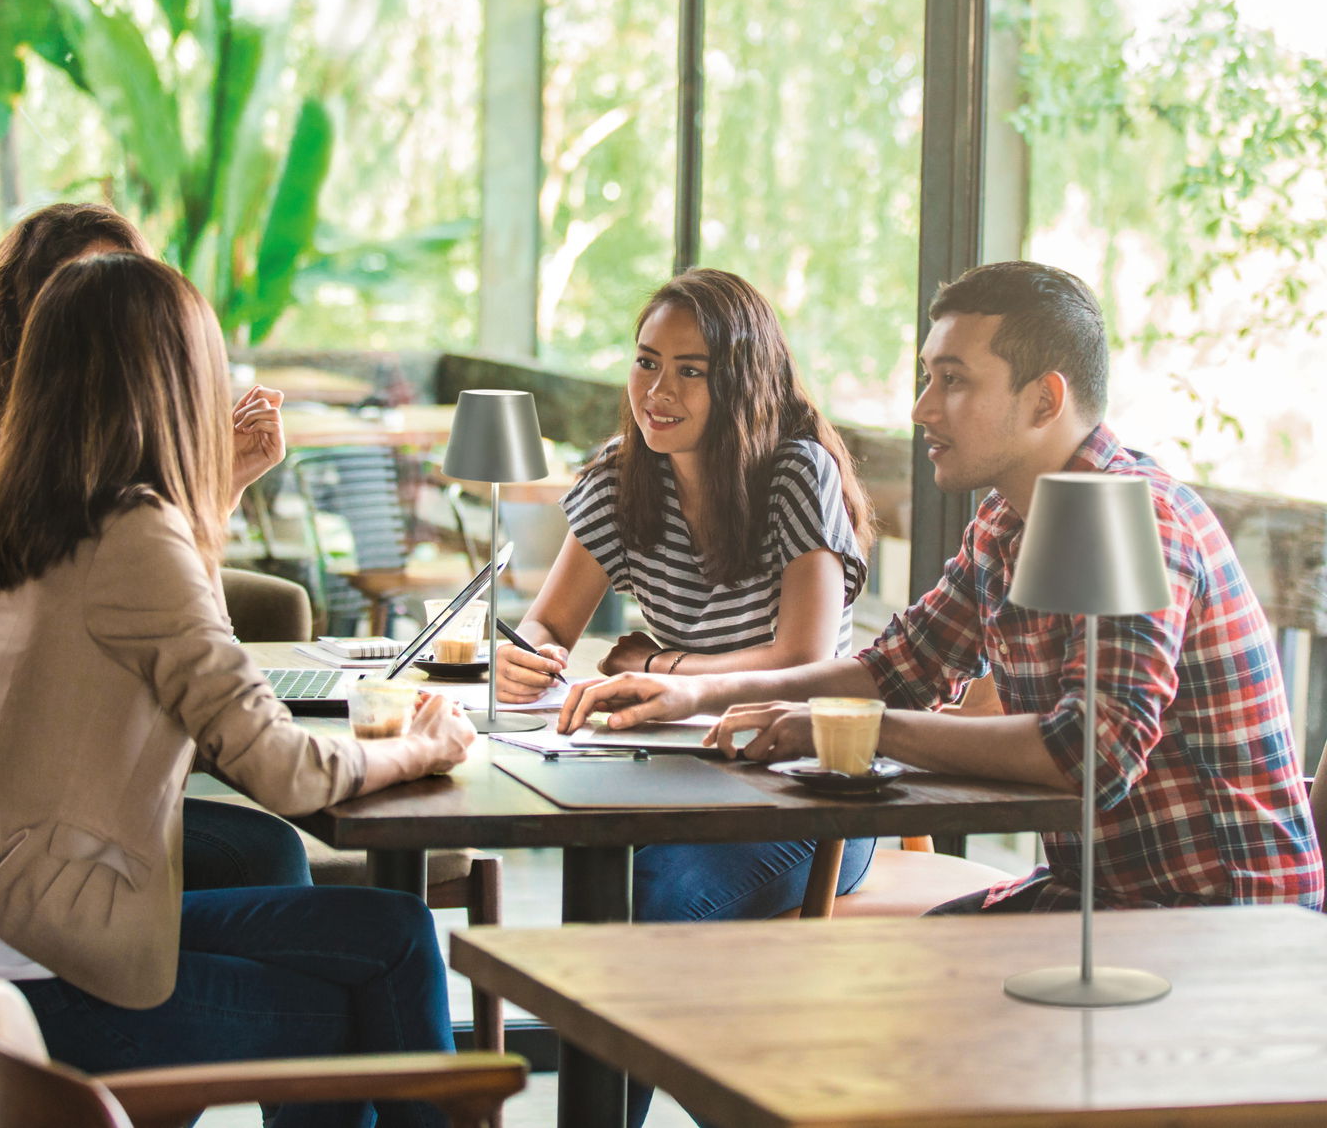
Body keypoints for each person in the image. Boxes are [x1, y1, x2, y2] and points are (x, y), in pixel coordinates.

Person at [0, 252, 476, 1127]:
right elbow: (280, 769)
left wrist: (217, 494)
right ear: (168, 381)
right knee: (364, 1012)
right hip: (56, 979)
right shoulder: (131, 532)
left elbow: (160, 650)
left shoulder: (21, 511)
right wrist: (419, 747)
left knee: (389, 932)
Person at [561, 261, 1325, 914]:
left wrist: (849, 728)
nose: (922, 408)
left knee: (894, 1012)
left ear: (1045, 400)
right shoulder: (1004, 522)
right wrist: (695, 699)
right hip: (1100, 901)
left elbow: (1092, 752)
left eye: (952, 381)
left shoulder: (1138, 519)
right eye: (928, 377)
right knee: (885, 1009)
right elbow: (894, 669)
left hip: (1223, 920)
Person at [0, 202, 309, 894]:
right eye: (76, 292)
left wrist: (217, 495)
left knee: (267, 858)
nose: (99, 318)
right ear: (24, 321)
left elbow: (196, 646)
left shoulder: (109, 468)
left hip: (47, 805)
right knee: (264, 862)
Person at [497, 272, 875, 917]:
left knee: (647, 894)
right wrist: (524, 656)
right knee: (596, 873)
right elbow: (548, 627)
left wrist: (657, 668)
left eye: (691, 371)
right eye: (646, 362)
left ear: (741, 381)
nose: (658, 391)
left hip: (810, 787)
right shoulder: (622, 475)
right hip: (682, 772)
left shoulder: (795, 471)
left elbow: (803, 664)